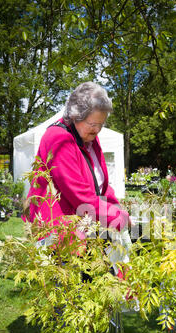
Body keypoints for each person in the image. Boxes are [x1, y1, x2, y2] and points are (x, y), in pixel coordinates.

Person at [26, 82, 130, 235]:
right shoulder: (59, 138)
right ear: (75, 116)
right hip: (57, 232)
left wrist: (116, 207)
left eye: (101, 124)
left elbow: (100, 183)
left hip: (81, 228)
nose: (97, 130)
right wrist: (116, 217)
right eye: (93, 124)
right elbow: (80, 196)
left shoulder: (89, 138)